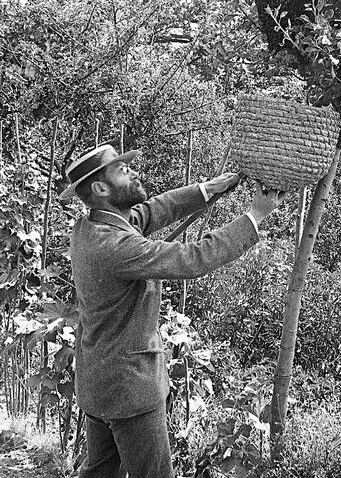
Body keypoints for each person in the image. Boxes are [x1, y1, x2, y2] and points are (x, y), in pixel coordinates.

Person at [59, 144, 286, 478]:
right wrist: (255, 217)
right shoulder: (115, 248)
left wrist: (207, 190)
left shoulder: (89, 227)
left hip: (98, 385)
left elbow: (150, 212)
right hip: (130, 390)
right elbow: (192, 258)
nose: (133, 172)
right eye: (122, 170)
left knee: (100, 470)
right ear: (101, 188)